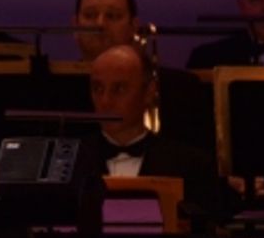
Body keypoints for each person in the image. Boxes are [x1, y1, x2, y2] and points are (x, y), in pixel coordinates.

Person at [88, 43, 221, 223]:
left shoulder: (191, 165)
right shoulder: (71, 162)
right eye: (98, 89)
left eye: (119, 89)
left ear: (149, 92)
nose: (105, 101)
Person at [74, 0, 139, 63]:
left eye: (112, 16)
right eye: (90, 15)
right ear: (75, 25)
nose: (100, 24)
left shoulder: (156, 76)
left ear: (133, 27)